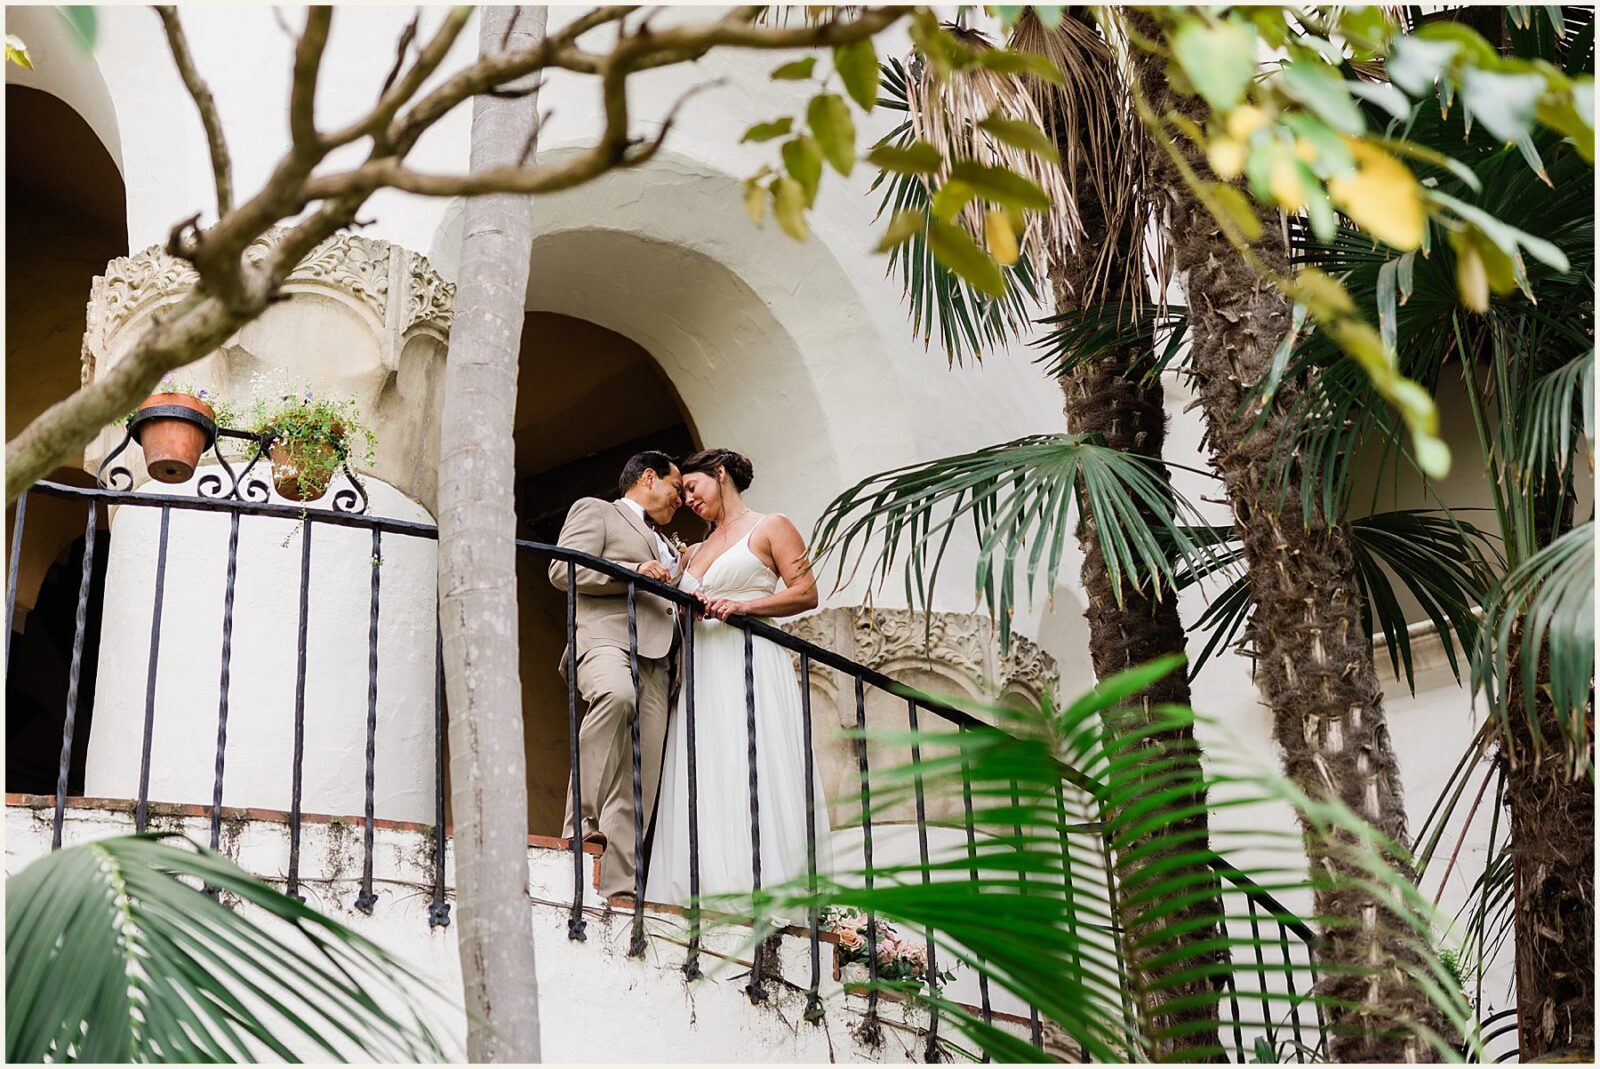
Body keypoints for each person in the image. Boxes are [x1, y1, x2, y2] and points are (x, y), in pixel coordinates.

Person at [645, 447, 832, 909]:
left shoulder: (771, 526)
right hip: (700, 669)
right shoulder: (693, 552)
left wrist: (744, 607)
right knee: (704, 764)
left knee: (755, 761)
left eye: (692, 487)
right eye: (683, 492)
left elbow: (806, 592)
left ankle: (768, 890)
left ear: (721, 474)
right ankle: (703, 888)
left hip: (750, 658)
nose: (687, 498)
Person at [548, 450, 683, 903]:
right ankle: (579, 824)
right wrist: (633, 572)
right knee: (615, 695)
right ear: (648, 477)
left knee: (639, 771)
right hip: (608, 639)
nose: (680, 499)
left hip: (660, 658)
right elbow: (563, 568)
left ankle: (620, 885)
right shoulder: (597, 510)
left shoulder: (668, 542)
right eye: (675, 488)